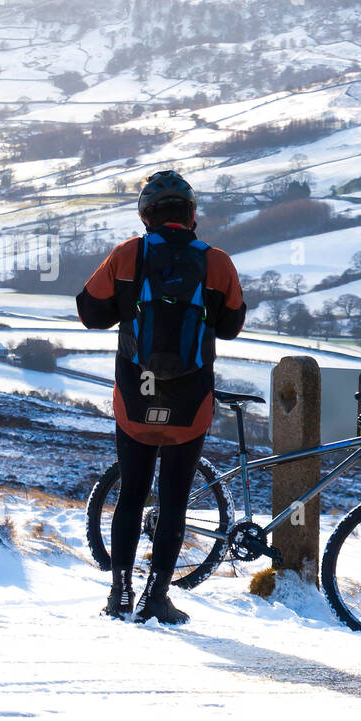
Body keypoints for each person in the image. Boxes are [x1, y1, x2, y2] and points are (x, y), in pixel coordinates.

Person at [77, 171, 246, 624]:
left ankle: (120, 594)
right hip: (190, 404)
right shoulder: (217, 262)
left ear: (146, 214)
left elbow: (89, 313)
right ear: (191, 215)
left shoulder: (127, 254)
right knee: (174, 500)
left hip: (135, 398)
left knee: (132, 494)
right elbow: (230, 327)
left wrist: (128, 305)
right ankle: (157, 596)